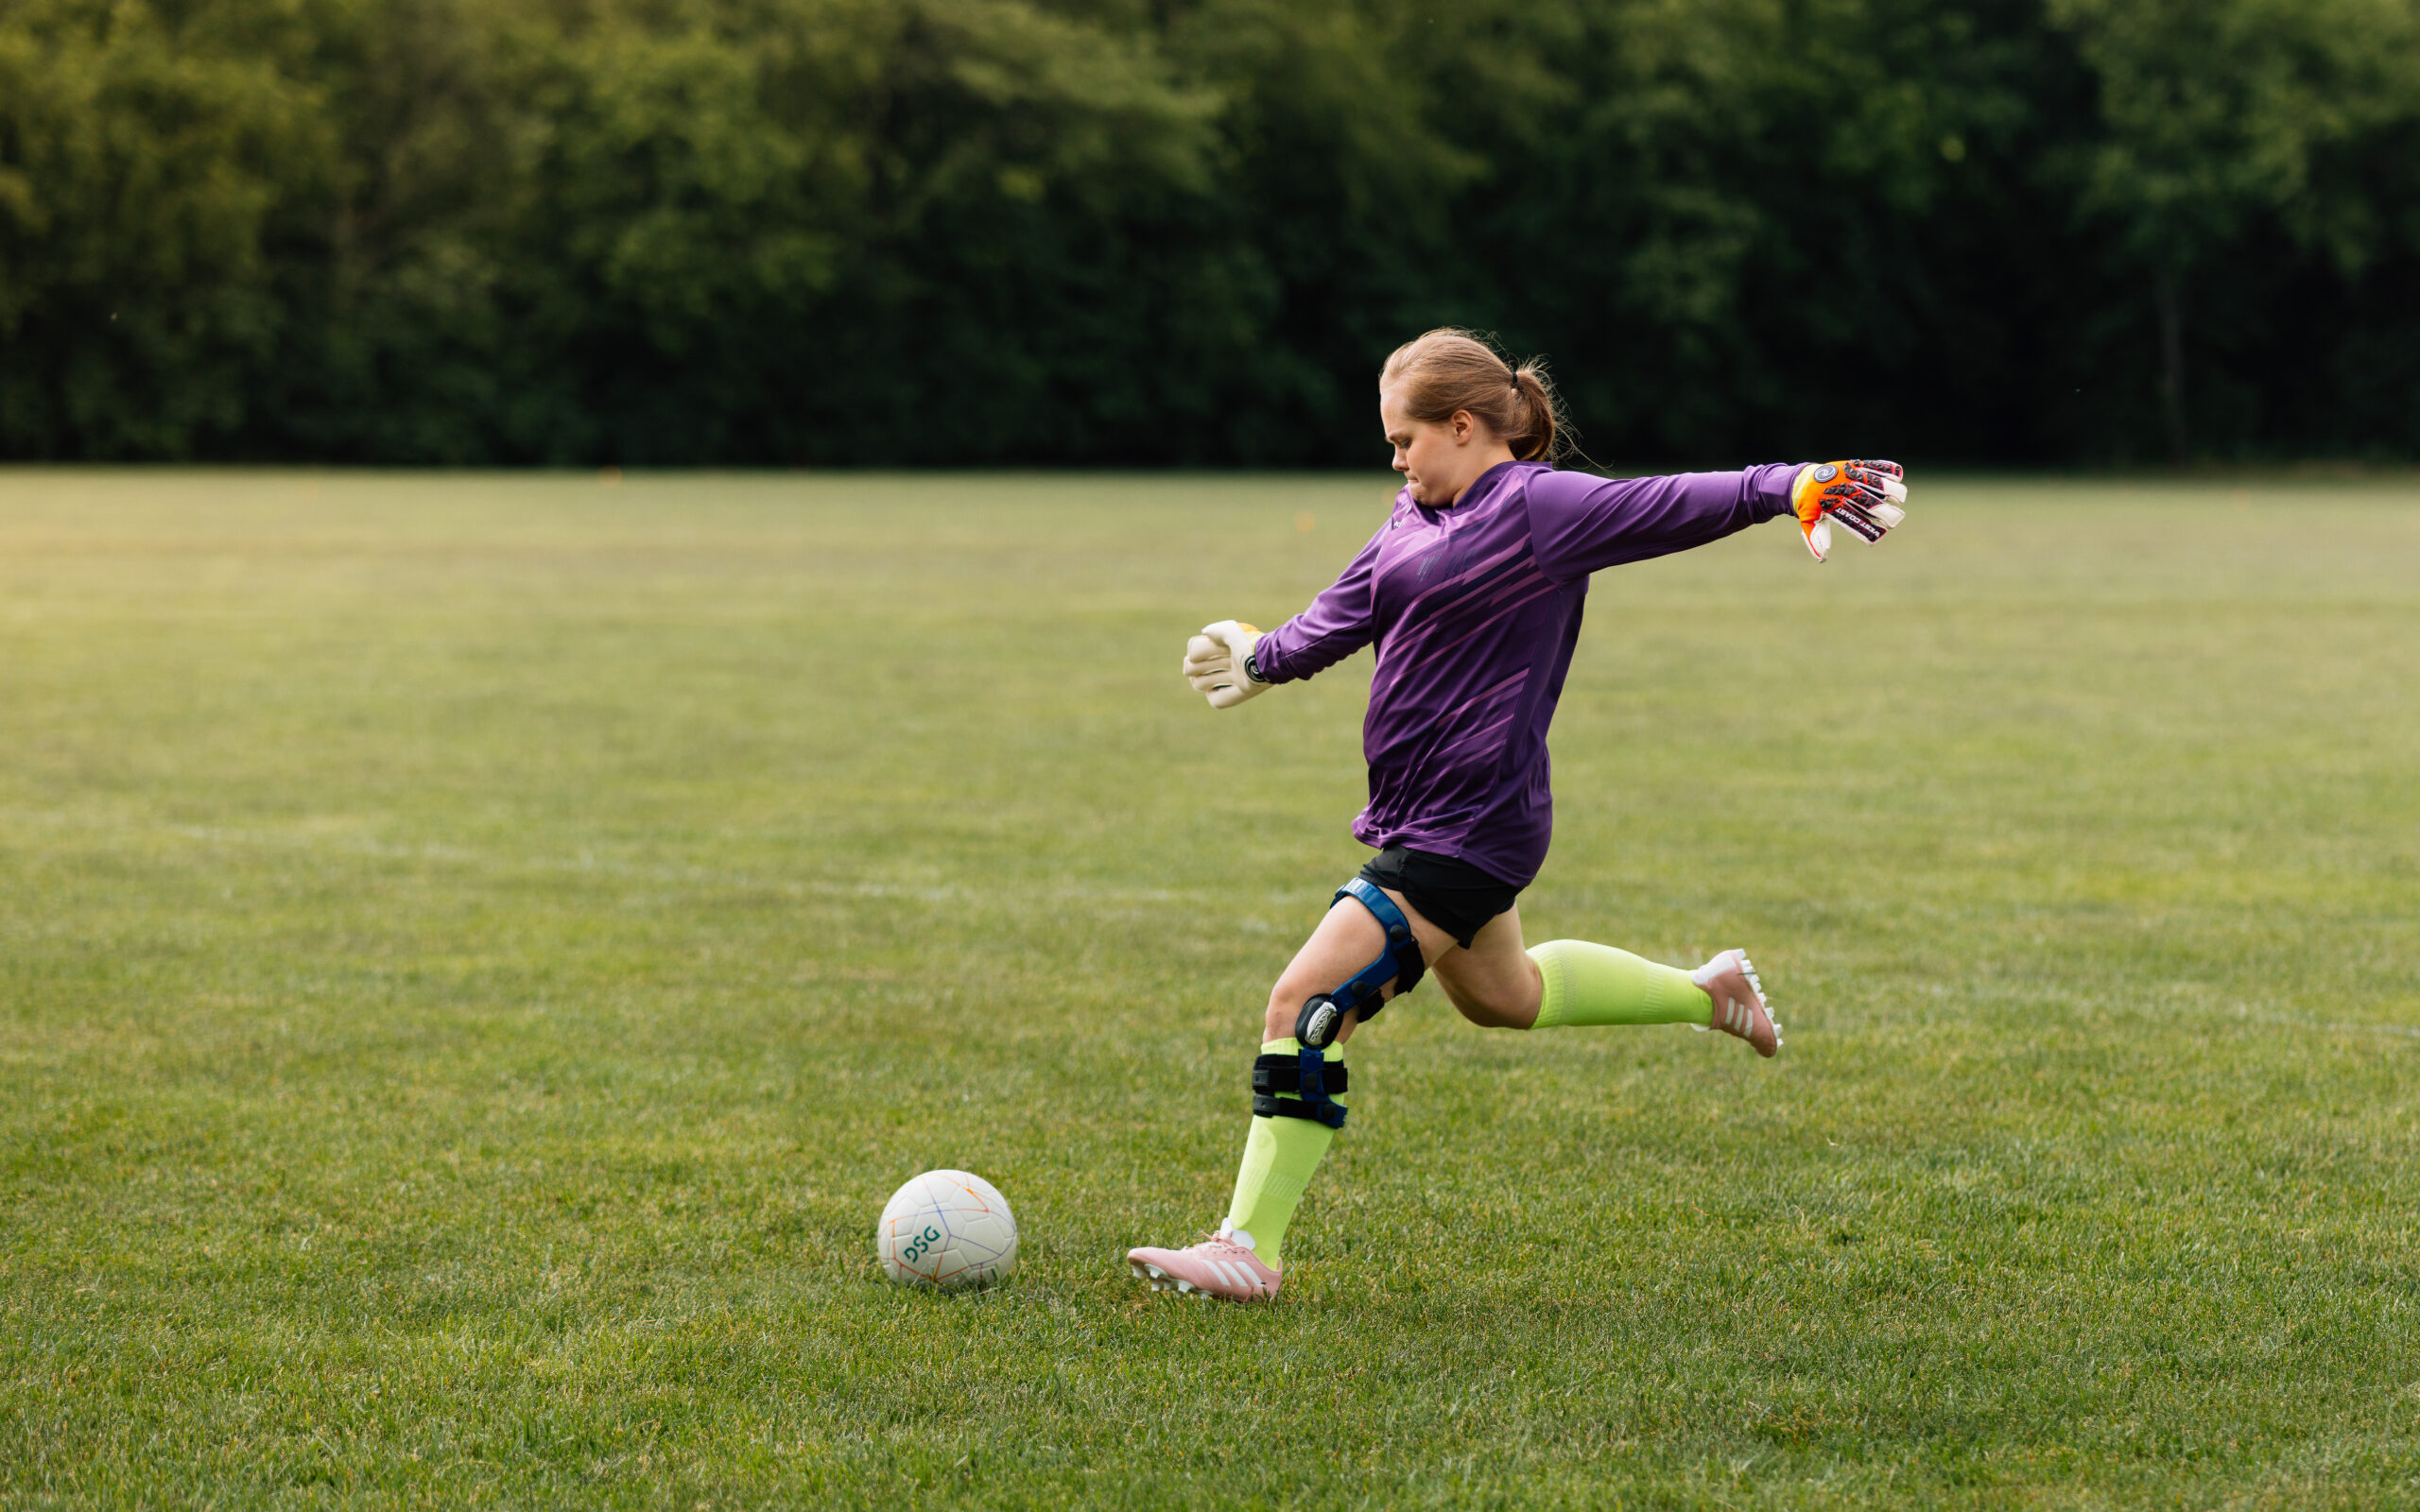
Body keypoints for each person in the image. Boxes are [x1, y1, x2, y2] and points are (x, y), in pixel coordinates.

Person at [1124, 328, 1909, 1302]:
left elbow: (1667, 503)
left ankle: (1250, 1244)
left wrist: (1785, 483)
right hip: (1419, 819)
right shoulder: (1411, 517)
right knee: (1507, 997)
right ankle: (1709, 992)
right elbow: (1341, 612)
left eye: (1406, 439)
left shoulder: (1539, 508)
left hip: (1472, 827)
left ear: (1463, 425)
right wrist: (1260, 658)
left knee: (1305, 1007)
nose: (1397, 460)